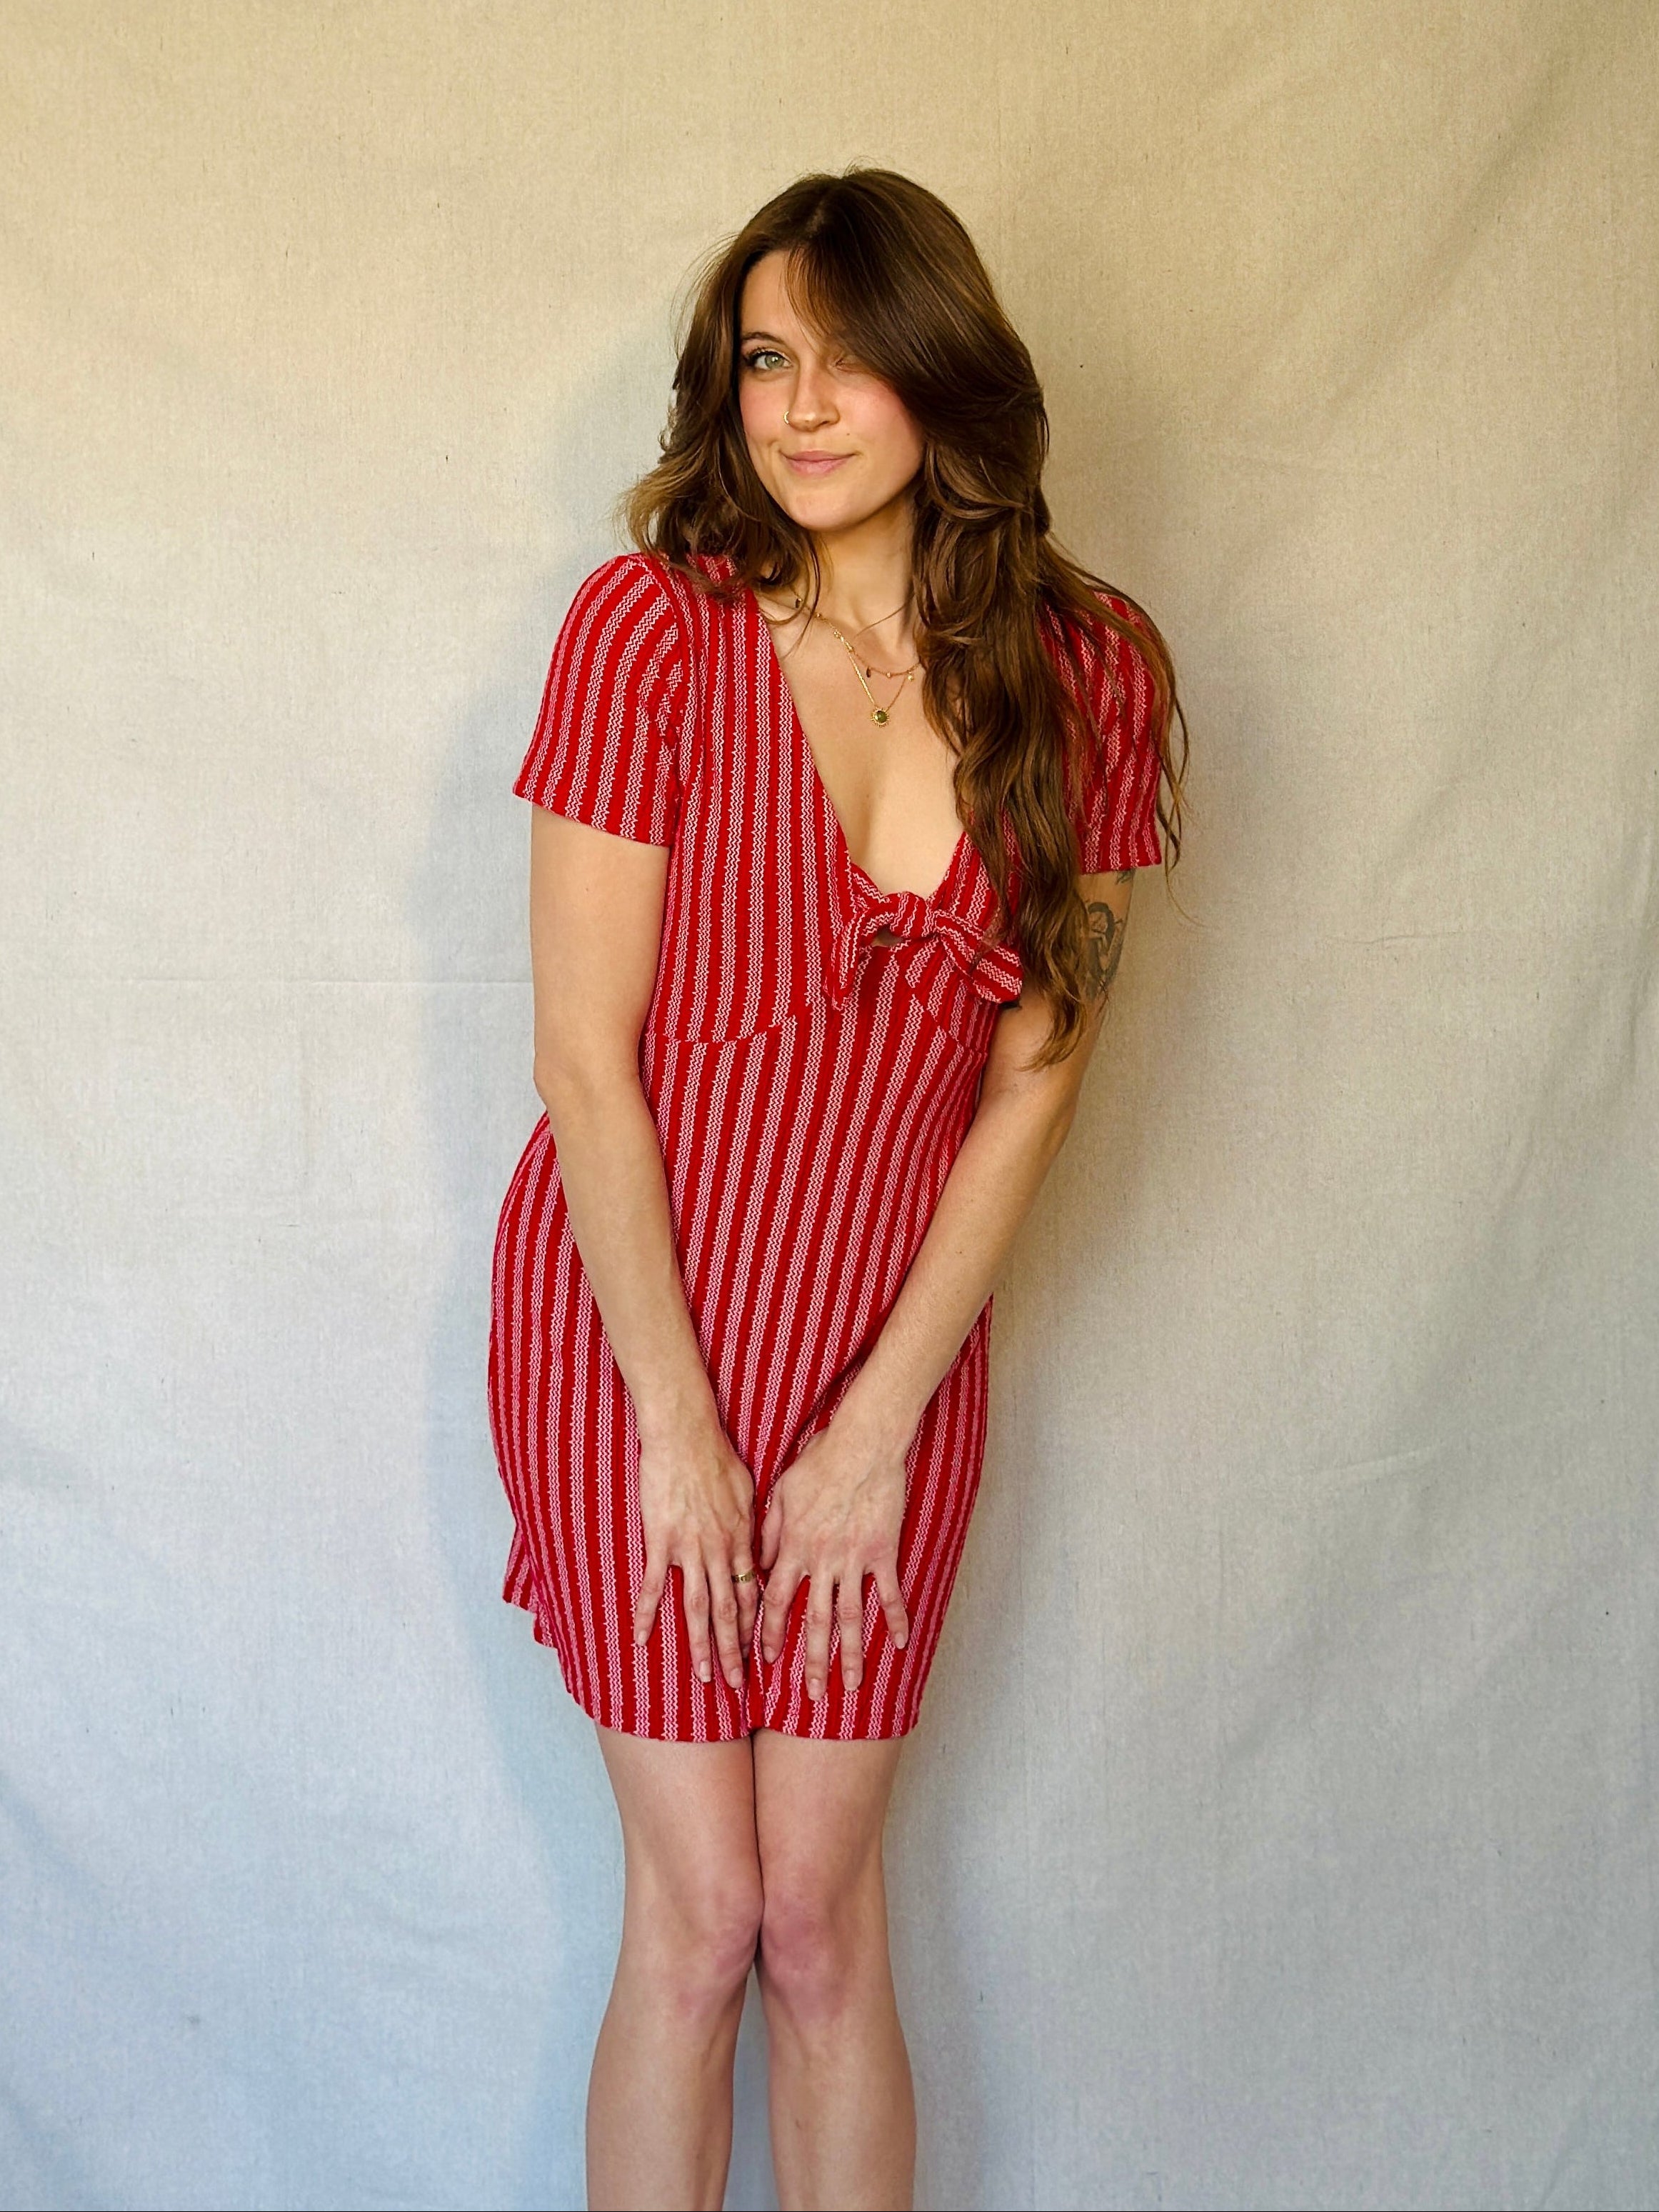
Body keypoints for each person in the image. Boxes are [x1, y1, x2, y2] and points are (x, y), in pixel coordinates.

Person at [487, 166, 1185, 2212]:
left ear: (943, 374)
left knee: (817, 1914)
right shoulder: (650, 631)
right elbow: (580, 1071)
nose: (796, 407)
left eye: (845, 356)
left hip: (893, 1357)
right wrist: (683, 1437)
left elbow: (1035, 1087)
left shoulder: (1091, 666)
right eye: (763, 358)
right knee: (702, 1916)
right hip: (633, 1337)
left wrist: (874, 1425)